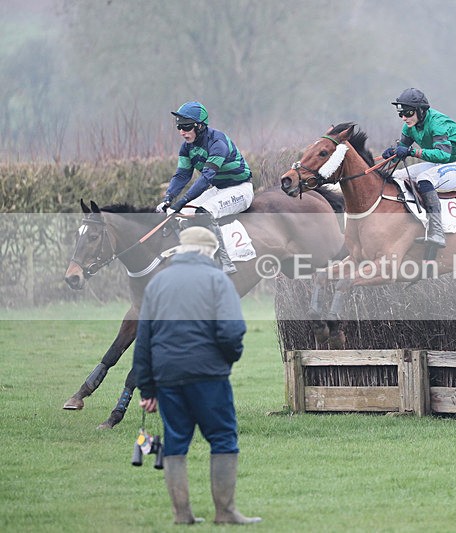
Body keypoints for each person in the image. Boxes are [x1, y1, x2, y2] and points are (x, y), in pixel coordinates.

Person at [132, 226, 261, 525]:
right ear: (210, 251)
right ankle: (225, 511)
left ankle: (182, 515)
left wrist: (147, 389)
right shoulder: (218, 279)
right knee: (223, 438)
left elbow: (144, 340)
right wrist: (226, 359)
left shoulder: (157, 282)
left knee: (176, 443)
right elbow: (231, 331)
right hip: (208, 376)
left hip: (167, 377)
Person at [159, 101, 254, 274]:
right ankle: (196, 258)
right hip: (218, 189)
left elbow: (206, 177)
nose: (182, 132)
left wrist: (182, 201)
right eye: (179, 126)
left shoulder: (218, 143)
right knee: (183, 215)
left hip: (240, 189)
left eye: (186, 126)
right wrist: (168, 198)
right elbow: (182, 175)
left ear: (200, 126)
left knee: (204, 212)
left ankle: (226, 262)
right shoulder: (186, 148)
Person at [381, 88, 456, 248]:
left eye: (408, 113)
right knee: (397, 175)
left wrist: (411, 152)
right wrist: (393, 152)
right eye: (401, 114)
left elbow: (443, 155)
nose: (404, 118)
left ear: (421, 111)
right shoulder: (409, 126)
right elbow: (402, 150)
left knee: (424, 179)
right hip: (441, 164)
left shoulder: (437, 123)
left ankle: (436, 232)